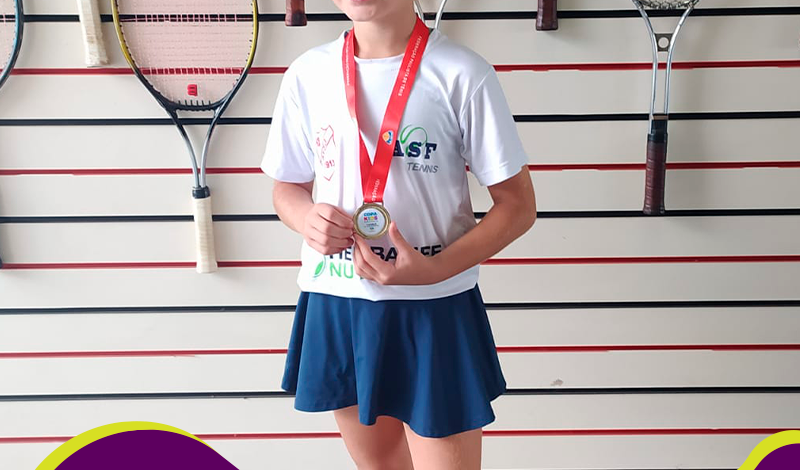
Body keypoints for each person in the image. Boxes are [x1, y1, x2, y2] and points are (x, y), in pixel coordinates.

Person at [261, 0, 537, 468]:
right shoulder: (307, 74)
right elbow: (287, 187)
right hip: (339, 301)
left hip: (433, 308)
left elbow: (518, 207)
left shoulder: (462, 73)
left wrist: (433, 270)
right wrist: (306, 218)